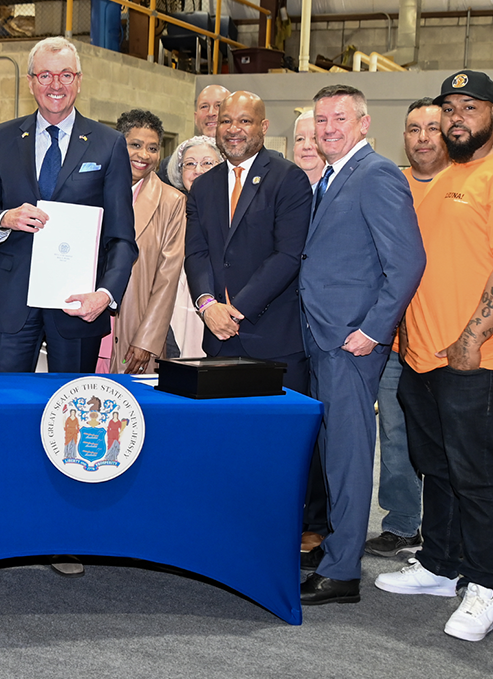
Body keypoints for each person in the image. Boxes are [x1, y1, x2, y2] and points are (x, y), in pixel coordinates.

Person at [376, 71, 493, 643]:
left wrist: (473, 335)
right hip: (423, 355)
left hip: (482, 357)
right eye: (449, 107)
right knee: (438, 468)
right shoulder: (444, 178)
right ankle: (440, 564)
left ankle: (485, 584)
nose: (456, 117)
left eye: (469, 106)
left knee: (477, 476)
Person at [297, 85, 426, 606]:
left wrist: (373, 330)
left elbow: (408, 262)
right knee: (331, 453)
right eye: (322, 119)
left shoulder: (376, 176)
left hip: (351, 343)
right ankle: (335, 552)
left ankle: (344, 571)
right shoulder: (329, 178)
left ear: (364, 123)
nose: (329, 128)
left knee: (349, 456)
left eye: (340, 119)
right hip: (321, 336)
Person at [182, 90, 323, 565]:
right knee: (229, 439)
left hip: (272, 335)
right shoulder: (202, 186)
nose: (234, 129)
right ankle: (228, 523)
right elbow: (196, 254)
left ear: (264, 127)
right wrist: (206, 305)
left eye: (245, 121)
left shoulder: (288, 180)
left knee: (286, 445)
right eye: (226, 121)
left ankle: (304, 526)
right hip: (218, 337)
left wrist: (235, 309)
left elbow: (288, 255)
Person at [0, 36, 138, 377]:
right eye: (45, 75)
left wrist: (105, 294)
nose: (55, 85)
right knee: (4, 405)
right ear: (31, 81)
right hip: (12, 302)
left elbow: (122, 236)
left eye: (65, 75)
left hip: (79, 305)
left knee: (73, 410)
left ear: (78, 81)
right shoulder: (1, 138)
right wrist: (6, 219)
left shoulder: (108, 145)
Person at [365, 97, 450, 559]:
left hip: (448, 339)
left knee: (444, 443)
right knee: (395, 434)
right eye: (413, 128)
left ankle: (445, 537)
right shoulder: (389, 183)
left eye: (432, 128)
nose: (422, 137)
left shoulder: (463, 187)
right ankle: (402, 523)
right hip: (395, 338)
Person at [102, 109, 184, 375]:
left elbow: (167, 279)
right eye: (135, 145)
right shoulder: (92, 190)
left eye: (152, 148)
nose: (144, 155)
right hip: (90, 325)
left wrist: (147, 339)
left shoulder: (171, 202)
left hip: (135, 329)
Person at [163, 136, 218, 361]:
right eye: (190, 164)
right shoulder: (167, 208)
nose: (198, 170)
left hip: (215, 306)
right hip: (172, 305)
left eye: (207, 163)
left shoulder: (235, 208)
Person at [157, 84, 228, 184]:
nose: (211, 112)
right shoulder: (169, 167)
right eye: (204, 106)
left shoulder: (247, 162)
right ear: (195, 117)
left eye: (219, 105)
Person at [291, 109, 324, 186]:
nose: (306, 146)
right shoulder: (280, 190)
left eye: (314, 138)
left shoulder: (345, 189)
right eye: (300, 139)